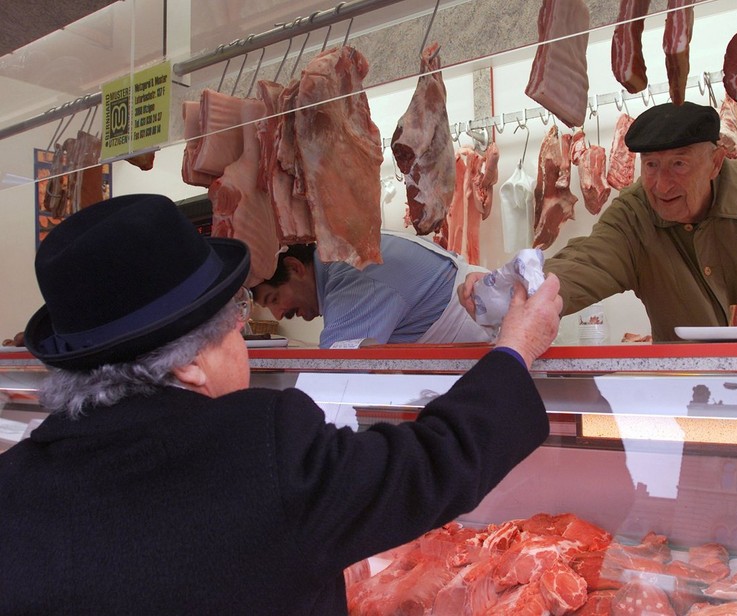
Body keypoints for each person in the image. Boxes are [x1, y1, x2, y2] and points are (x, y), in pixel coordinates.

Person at [0, 194, 562, 615]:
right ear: (189, 364)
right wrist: (516, 349)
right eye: (234, 330)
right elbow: (435, 461)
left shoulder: (14, 484)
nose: (242, 339)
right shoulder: (256, 452)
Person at [460, 101, 737, 341]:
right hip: (687, 391)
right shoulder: (634, 214)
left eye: (678, 164)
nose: (661, 184)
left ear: (715, 162)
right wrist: (508, 289)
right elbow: (585, 264)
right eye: (652, 166)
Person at [253, 231, 494, 348]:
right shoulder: (340, 257)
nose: (277, 315)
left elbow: (337, 369)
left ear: (295, 268)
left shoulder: (351, 274)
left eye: (274, 299)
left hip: (478, 343)